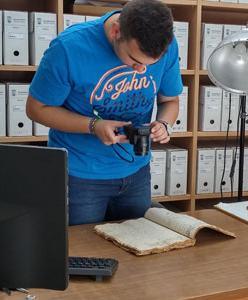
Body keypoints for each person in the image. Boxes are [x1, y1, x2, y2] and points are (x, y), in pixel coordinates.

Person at [27, 0, 182, 226]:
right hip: (80, 175)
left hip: (137, 170)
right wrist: (93, 126)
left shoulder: (165, 44)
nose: (141, 71)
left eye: (150, 65)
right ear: (115, 31)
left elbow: (170, 101)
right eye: (135, 61)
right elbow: (36, 109)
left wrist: (164, 124)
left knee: (139, 251)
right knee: (85, 255)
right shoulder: (68, 48)